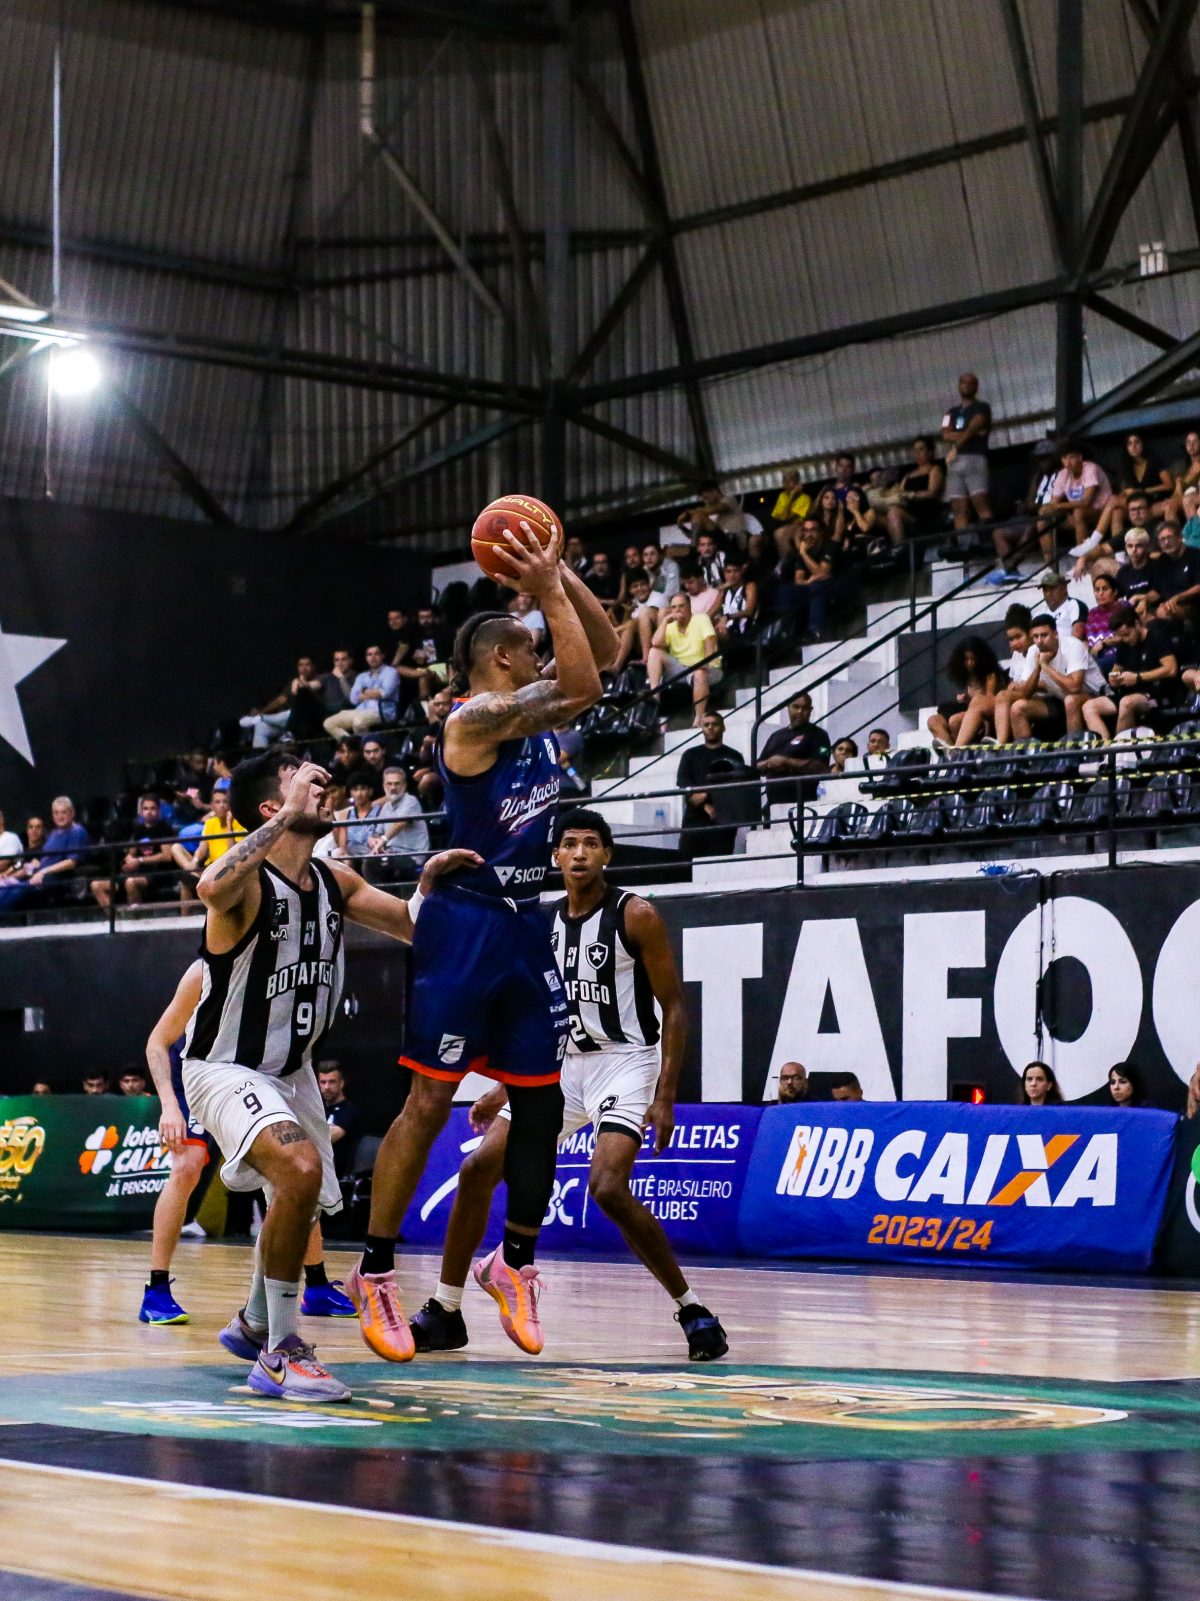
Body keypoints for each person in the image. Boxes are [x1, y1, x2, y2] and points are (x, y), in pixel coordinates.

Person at [346, 523, 614, 1365]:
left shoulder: (530, 716)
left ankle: (514, 1261)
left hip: (525, 924)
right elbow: (583, 682)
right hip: (466, 925)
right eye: (531, 645)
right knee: (429, 1101)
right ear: (502, 658)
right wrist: (543, 589)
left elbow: (602, 655)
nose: (543, 653)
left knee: (542, 1101)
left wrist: (559, 573)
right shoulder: (474, 720)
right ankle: (376, 1269)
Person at [181, 750, 480, 1400]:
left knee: (301, 1196)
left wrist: (428, 886)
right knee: (298, 1168)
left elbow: (413, 926)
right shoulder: (247, 884)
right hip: (225, 1066)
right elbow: (209, 887)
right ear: (272, 806)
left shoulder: (333, 881)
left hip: (292, 1071)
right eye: (303, 780)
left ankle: (254, 1319)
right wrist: (282, 820)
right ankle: (281, 1352)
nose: (324, 786)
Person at [408, 810, 727, 1362]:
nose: (580, 853)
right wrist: (503, 1086)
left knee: (607, 1187)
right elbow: (536, 1016)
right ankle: (445, 1310)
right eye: (570, 844)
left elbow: (674, 1005)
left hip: (625, 1062)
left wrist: (666, 1094)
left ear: (607, 854)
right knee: (477, 1168)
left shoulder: (636, 914)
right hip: (559, 1065)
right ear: (555, 855)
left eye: (591, 844)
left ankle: (692, 1308)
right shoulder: (541, 922)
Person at [139, 960, 359, 1327]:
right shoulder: (205, 969)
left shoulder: (285, 961)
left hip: (257, 1073)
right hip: (204, 1073)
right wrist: (169, 1106)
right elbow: (157, 1042)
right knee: (187, 1166)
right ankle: (156, 1288)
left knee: (293, 1168)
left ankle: (316, 1284)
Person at [1003, 613, 1106, 740]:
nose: (1039, 641)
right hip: (1059, 699)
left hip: (1094, 695)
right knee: (1017, 708)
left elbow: (1074, 687)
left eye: (1044, 635)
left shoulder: (1073, 646)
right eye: (1035, 636)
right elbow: (1025, 693)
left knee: (1071, 700)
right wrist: (1037, 669)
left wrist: (1045, 665)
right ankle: (1025, 751)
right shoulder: (1033, 650)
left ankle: (1073, 749)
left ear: (1056, 634)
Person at [1083, 605, 1181, 735]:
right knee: (1089, 707)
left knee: (1126, 703)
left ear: (1136, 624)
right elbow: (1116, 669)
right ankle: (1104, 746)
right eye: (1121, 636)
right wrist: (1114, 678)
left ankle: (1119, 747)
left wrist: (1137, 677)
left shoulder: (1156, 638)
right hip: (1128, 692)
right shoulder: (1124, 644)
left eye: (1127, 634)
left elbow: (1171, 669)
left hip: (1154, 693)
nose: (1125, 639)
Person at [675, 712, 749, 857]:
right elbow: (683, 782)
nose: (710, 728)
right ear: (702, 728)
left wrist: (705, 797)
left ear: (723, 728)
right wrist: (703, 803)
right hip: (694, 820)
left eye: (715, 724)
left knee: (719, 863)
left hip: (723, 820)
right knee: (687, 862)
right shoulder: (690, 754)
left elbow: (736, 786)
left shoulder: (734, 756)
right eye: (706, 725)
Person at [647, 594, 722, 727]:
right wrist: (665, 620)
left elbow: (710, 641)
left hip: (708, 667)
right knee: (654, 652)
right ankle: (655, 696)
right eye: (674, 607)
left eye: (681, 606)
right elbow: (655, 643)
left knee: (699, 673)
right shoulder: (670, 627)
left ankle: (699, 718)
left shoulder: (701, 618)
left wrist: (705, 663)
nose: (677, 610)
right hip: (681, 668)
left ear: (689, 607)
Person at [90, 793, 176, 909]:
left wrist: (139, 860)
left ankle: (135, 917)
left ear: (158, 811)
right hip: (138, 873)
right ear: (141, 811)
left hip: (158, 874)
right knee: (96, 885)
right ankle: (115, 917)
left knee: (131, 882)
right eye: (146, 808)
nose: (149, 812)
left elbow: (166, 856)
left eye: (152, 808)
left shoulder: (164, 828)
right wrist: (129, 861)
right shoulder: (138, 830)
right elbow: (131, 854)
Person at [1037, 442, 1113, 568]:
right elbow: (1054, 502)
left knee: (1078, 512)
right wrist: (1046, 509)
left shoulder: (1090, 469)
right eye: (1064, 458)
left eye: (1071, 457)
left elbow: (1085, 502)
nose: (1068, 462)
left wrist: (1058, 506)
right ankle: (1050, 567)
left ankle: (1083, 562)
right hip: (1078, 517)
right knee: (1042, 521)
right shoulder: (1062, 474)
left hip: (1101, 512)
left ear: (1079, 457)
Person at [927, 636, 1005, 749]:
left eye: (972, 659)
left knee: (954, 720)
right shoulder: (967, 676)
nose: (969, 663)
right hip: (968, 709)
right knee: (933, 720)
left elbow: (989, 700)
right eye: (966, 659)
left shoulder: (990, 675)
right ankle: (950, 750)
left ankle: (958, 751)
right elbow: (971, 699)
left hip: (983, 714)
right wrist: (965, 698)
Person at [757, 692, 832, 806]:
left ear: (810, 710)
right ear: (788, 707)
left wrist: (786, 762)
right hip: (774, 803)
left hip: (804, 803)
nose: (800, 711)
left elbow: (822, 767)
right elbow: (758, 765)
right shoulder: (775, 736)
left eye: (805, 708)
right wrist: (768, 763)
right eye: (796, 707)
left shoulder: (820, 735)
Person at [941, 373, 992, 533]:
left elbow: (976, 425)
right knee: (958, 507)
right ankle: (964, 542)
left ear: (976, 387)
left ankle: (989, 538)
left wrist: (957, 443)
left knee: (980, 502)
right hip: (955, 461)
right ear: (958, 386)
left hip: (974, 457)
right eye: (963, 382)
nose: (967, 386)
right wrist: (971, 433)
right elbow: (945, 433)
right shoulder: (950, 412)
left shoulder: (982, 407)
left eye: (971, 383)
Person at [366, 766, 430, 882]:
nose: (393, 788)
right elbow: (377, 832)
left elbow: (400, 823)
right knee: (368, 860)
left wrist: (383, 840)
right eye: (389, 784)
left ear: (404, 786)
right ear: (384, 786)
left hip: (411, 856)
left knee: (372, 864)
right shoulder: (386, 807)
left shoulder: (411, 800)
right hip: (392, 854)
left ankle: (379, 894)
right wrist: (373, 840)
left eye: (397, 784)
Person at [323, 646, 400, 739]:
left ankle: (365, 745)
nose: (372, 657)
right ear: (366, 658)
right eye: (369, 654)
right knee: (329, 723)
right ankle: (351, 743)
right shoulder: (362, 676)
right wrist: (372, 693)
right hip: (361, 710)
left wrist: (364, 691)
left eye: (376, 654)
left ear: (382, 656)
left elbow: (384, 693)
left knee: (358, 721)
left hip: (382, 712)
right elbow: (353, 699)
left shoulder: (390, 672)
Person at [884, 437, 946, 550]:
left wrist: (912, 495)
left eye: (921, 449)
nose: (917, 453)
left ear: (930, 452)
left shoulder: (934, 469)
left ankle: (900, 549)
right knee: (885, 513)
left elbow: (932, 493)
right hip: (909, 510)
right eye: (915, 450)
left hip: (926, 511)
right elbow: (899, 492)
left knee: (893, 512)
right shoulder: (909, 474)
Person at [317, 1062, 361, 1179]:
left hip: (338, 1176)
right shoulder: (318, 1109)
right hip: (317, 1170)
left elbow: (327, 1138)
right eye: (323, 1082)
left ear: (341, 1083)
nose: (327, 1087)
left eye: (332, 1082)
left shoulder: (349, 1111)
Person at [771, 467, 812, 559]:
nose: (785, 484)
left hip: (800, 525)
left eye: (789, 480)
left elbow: (791, 518)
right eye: (784, 481)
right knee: (778, 533)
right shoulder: (782, 496)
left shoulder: (805, 498)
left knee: (780, 533)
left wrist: (792, 496)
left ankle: (789, 562)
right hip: (784, 525)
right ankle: (785, 562)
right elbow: (776, 517)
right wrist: (782, 518)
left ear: (797, 482)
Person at [1037, 572, 1088, 643]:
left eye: (1052, 589)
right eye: (1045, 590)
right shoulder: (1039, 614)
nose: (1048, 594)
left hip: (1069, 648)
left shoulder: (1074, 605)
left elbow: (1077, 637)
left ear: (1064, 588)